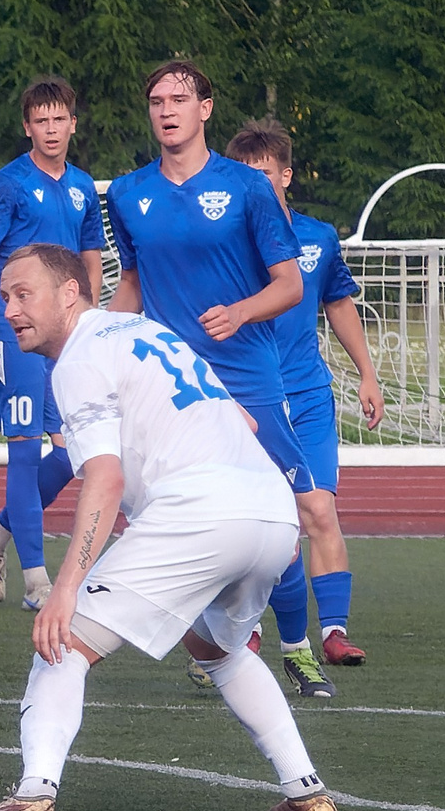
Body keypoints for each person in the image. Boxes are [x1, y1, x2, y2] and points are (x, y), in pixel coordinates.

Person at [0, 245, 340, 811]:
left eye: (23, 294)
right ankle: (306, 791)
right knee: (219, 650)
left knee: (62, 642)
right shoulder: (145, 330)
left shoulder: (79, 359)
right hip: (270, 511)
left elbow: (105, 480)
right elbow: (245, 421)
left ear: (69, 292)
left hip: (201, 513)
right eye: (4, 296)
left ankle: (34, 794)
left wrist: (66, 588)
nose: (8, 310)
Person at [103, 63, 317, 691]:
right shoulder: (127, 194)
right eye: (156, 101)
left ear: (206, 109)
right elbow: (133, 283)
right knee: (173, 512)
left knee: (287, 513)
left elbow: (290, 284)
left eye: (179, 98)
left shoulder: (248, 188)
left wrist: (241, 312)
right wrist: (96, 341)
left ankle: (297, 645)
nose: (166, 109)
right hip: (173, 384)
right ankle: (217, 640)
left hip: (248, 375)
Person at [227, 120, 385, 676]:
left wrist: (367, 374)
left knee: (318, 509)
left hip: (309, 396)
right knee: (253, 520)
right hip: (249, 398)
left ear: (286, 176)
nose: (256, 184)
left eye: (265, 174)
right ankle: (242, 630)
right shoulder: (225, 243)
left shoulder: (317, 238)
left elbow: (338, 303)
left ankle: (334, 633)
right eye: (245, 176)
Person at [0, 78, 109, 611]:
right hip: (13, 331)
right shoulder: (10, 183)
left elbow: (90, 262)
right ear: (27, 127)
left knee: (72, 452)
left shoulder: (83, 187)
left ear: (73, 123)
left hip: (62, 334)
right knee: (24, 451)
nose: (51, 129)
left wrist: (90, 322)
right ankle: (37, 581)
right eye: (40, 120)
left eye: (58, 119)